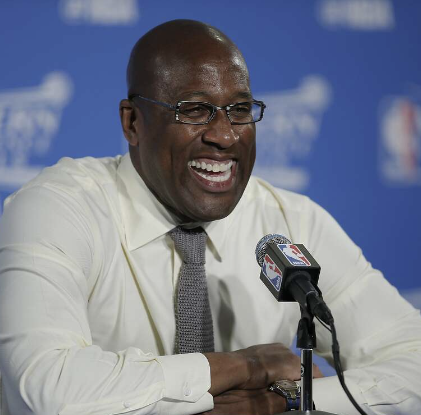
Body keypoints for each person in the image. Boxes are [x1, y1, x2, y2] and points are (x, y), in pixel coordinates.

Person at [0, 19, 420, 415]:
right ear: (133, 123)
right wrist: (244, 367)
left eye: (240, 109)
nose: (224, 135)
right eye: (194, 110)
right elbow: (46, 388)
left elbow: (413, 362)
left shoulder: (294, 223)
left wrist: (284, 400)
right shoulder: (59, 209)